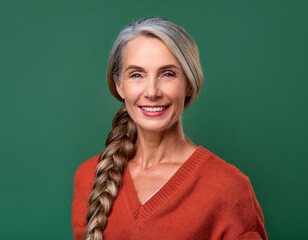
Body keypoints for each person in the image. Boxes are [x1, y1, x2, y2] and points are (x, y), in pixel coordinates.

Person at [72, 17, 268, 240]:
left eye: (167, 74)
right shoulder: (89, 177)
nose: (152, 92)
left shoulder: (228, 187)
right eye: (137, 75)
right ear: (119, 85)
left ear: (189, 84)